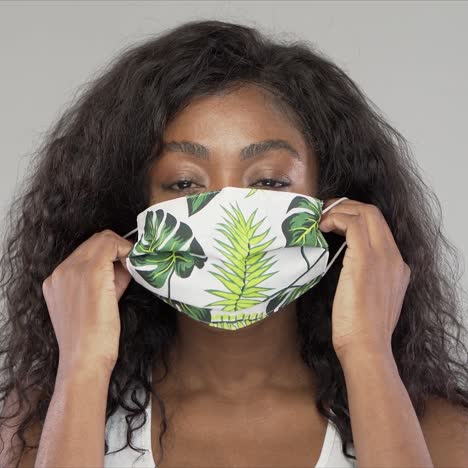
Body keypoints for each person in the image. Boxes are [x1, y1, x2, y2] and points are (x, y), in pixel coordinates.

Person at [1, 18, 467, 468]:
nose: (226, 211)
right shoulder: (36, 433)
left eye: (267, 180)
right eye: (184, 184)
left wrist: (368, 352)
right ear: (131, 211)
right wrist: (82, 366)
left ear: (332, 200)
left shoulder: (442, 436)